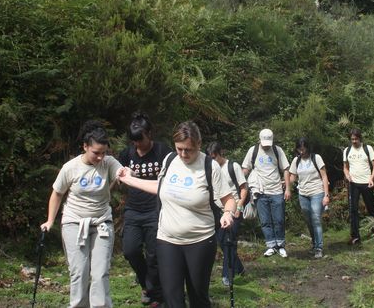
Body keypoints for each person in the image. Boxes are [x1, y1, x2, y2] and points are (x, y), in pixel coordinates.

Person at [118, 121, 235, 308]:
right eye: (179, 148)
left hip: (200, 241)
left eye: (188, 150)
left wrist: (228, 213)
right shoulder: (170, 160)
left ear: (199, 144)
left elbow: (228, 199)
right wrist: (130, 180)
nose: (183, 154)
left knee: (198, 297)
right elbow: (160, 187)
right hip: (167, 240)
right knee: (172, 297)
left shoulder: (209, 166)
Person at [41, 120, 123, 308]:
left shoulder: (108, 163)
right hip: (74, 223)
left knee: (100, 271)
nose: (100, 157)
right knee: (79, 271)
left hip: (102, 222)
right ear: (85, 147)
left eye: (104, 153)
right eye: (96, 153)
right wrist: (50, 220)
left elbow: (120, 170)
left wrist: (125, 173)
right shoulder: (71, 167)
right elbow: (57, 193)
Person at [118, 112, 172, 306]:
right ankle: (147, 285)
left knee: (153, 255)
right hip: (133, 210)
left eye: (140, 141)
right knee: (130, 251)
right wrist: (123, 173)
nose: (137, 145)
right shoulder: (127, 153)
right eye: (134, 142)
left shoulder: (162, 151)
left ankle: (155, 294)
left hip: (156, 210)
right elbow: (119, 174)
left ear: (150, 134)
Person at [241, 128, 291, 258]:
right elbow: (245, 168)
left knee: (279, 219)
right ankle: (271, 246)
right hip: (260, 191)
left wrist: (288, 188)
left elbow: (285, 169)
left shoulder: (277, 150)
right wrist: (239, 180)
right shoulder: (253, 151)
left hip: (276, 190)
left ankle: (280, 245)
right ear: (259, 140)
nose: (267, 146)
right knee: (265, 221)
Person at [206, 142, 248, 286]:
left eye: (214, 157)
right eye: (210, 158)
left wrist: (239, 207)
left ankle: (227, 275)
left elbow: (243, 188)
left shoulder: (233, 166)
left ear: (220, 153)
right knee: (223, 244)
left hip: (234, 209)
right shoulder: (209, 168)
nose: (213, 160)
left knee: (228, 243)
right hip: (217, 211)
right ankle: (240, 268)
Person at [288, 137, 330, 258]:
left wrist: (326, 195)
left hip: (317, 192)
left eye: (304, 148)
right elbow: (292, 177)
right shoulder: (296, 161)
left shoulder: (316, 158)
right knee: (308, 220)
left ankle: (319, 248)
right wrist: (285, 184)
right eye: (299, 149)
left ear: (307, 147)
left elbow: (324, 177)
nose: (302, 151)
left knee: (316, 218)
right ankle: (314, 243)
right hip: (303, 194)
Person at [343, 129, 374, 245]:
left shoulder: (367, 149)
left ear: (360, 138)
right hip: (353, 183)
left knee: (370, 207)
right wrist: (347, 175)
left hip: (366, 182)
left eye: (356, 139)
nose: (354, 141)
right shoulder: (347, 150)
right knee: (353, 210)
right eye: (352, 139)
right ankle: (355, 236)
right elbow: (345, 167)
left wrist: (371, 178)